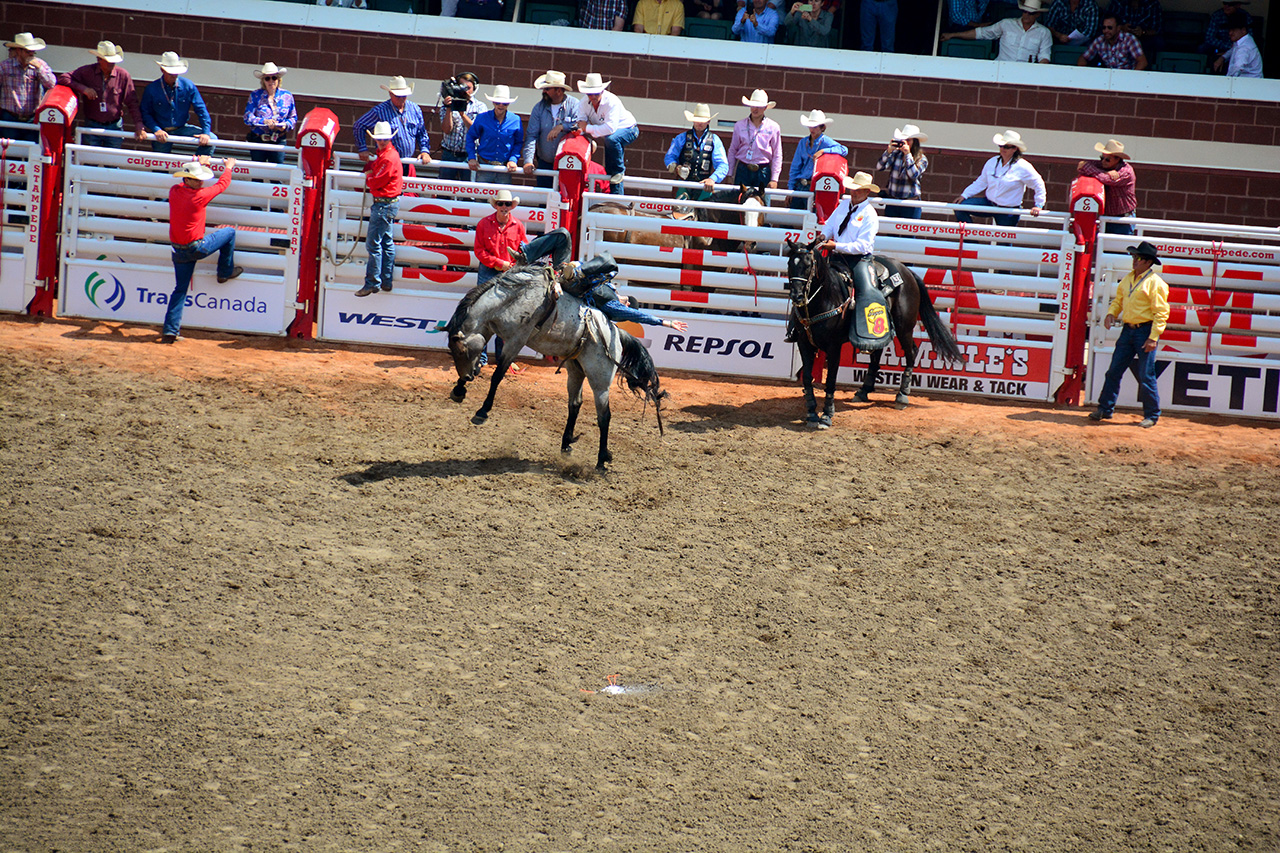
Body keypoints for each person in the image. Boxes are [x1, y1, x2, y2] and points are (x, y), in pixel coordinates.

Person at [1088, 240, 1169, 428]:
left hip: (1144, 331)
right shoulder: (1129, 279)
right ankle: (1105, 408)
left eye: (1138, 258)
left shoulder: (1156, 284)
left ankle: (1152, 415)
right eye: (1134, 257)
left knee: (1145, 375)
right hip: (1129, 330)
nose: (1134, 260)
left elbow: (1161, 313)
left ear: (1148, 262)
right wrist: (1111, 313)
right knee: (1114, 371)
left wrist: (1153, 337)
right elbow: (1119, 300)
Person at [163, 159, 243, 344]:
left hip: (178, 250)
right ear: (188, 180)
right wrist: (228, 168)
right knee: (229, 232)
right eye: (197, 179)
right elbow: (222, 184)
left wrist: (198, 163)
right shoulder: (201, 195)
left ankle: (170, 331)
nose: (201, 182)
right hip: (196, 247)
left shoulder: (174, 192)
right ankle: (224, 271)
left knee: (180, 290)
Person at [560, 253, 690, 332]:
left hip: (578, 289)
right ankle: (570, 269)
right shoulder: (610, 287)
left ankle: (574, 272)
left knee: (611, 266)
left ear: (626, 305)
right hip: (579, 279)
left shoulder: (613, 305)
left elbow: (640, 316)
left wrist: (665, 323)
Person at [474, 189, 573, 287]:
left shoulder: (518, 226)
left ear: (511, 207)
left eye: (507, 204)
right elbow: (479, 251)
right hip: (489, 269)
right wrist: (499, 263)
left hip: (510, 269)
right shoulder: (483, 224)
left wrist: (510, 265)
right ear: (496, 205)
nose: (504, 207)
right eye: (500, 203)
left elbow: (524, 252)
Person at [58, 40, 145, 148]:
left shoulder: (123, 75)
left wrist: (138, 124)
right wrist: (83, 89)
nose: (111, 64)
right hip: (92, 124)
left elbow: (132, 102)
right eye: (108, 61)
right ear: (99, 59)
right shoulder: (87, 72)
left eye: (113, 61)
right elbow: (63, 78)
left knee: (112, 161)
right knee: (90, 160)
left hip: (114, 125)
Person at [954, 130, 1046, 227]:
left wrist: (1038, 205)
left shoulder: (1023, 166)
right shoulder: (992, 162)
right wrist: (965, 195)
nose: (1002, 149)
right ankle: (971, 240)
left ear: (1014, 148)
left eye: (1006, 146)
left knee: (1004, 241)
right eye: (1000, 146)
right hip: (989, 203)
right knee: (960, 208)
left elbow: (1038, 183)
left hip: (1008, 210)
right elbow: (981, 182)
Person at [354, 122, 403, 299]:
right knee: (386, 242)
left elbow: (376, 181)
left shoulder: (387, 158)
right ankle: (386, 280)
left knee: (373, 244)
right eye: (379, 139)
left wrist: (370, 178)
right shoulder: (389, 156)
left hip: (383, 203)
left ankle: (372, 282)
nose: (381, 141)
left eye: (384, 139)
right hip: (388, 203)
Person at [140, 52, 217, 158]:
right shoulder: (152, 89)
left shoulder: (188, 86)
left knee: (211, 139)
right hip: (162, 131)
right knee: (160, 163)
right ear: (162, 70)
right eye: (171, 73)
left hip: (181, 127)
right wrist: (156, 129)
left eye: (176, 73)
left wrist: (205, 132)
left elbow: (201, 110)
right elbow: (145, 113)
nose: (174, 75)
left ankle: (197, 168)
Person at [352, 76, 432, 174]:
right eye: (398, 96)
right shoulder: (380, 111)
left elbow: (421, 132)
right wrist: (362, 148)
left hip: (407, 162)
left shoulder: (415, 109)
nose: (401, 99)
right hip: (387, 162)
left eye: (404, 96)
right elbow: (359, 125)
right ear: (390, 94)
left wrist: (425, 151)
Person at [576, 73, 639, 194]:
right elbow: (580, 121)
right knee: (610, 143)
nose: (593, 96)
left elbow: (610, 128)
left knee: (612, 140)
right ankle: (614, 181)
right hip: (611, 134)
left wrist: (586, 127)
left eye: (596, 93)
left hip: (629, 128)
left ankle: (618, 171)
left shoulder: (611, 101)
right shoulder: (583, 103)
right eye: (590, 94)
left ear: (602, 91)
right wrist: (582, 127)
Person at [521, 70, 581, 189]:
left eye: (547, 89)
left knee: (565, 200)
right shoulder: (539, 108)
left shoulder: (574, 105)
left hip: (568, 166)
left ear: (559, 90)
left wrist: (562, 127)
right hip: (545, 162)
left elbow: (580, 125)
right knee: (544, 200)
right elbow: (532, 136)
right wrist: (528, 161)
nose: (544, 91)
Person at [942, 0, 1053, 62]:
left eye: (1031, 13)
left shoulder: (1044, 33)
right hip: (1001, 69)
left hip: (1026, 73)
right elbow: (981, 33)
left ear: (1038, 15)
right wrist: (952, 35)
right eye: (1024, 11)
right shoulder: (1006, 24)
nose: (1026, 15)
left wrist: (1037, 72)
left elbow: (1044, 56)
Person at [665, 104, 729, 200]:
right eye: (698, 120)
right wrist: (676, 168)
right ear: (693, 120)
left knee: (704, 213)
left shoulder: (715, 140)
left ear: (708, 121)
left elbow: (723, 165)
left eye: (703, 121)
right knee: (679, 213)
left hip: (704, 187)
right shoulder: (681, 138)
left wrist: (712, 179)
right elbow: (669, 157)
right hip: (683, 184)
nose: (700, 123)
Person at [0, 33, 57, 142]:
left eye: (32, 52)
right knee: (10, 151)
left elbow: (51, 84)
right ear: (18, 51)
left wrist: (39, 69)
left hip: (32, 118)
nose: (31, 55)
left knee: (31, 152)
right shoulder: (5, 66)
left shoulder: (40, 65)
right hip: (10, 117)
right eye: (27, 51)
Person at [787, 109, 848, 210]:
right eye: (811, 126)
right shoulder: (803, 142)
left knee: (812, 218)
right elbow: (795, 167)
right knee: (790, 220)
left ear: (822, 128)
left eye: (815, 127)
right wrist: (790, 189)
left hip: (815, 187)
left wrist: (824, 151)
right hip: (800, 185)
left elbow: (844, 150)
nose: (812, 129)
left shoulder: (826, 141)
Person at [1077, 139, 1137, 234]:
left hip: (1122, 220)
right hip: (1106, 218)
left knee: (1120, 248)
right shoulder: (1105, 166)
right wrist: (1104, 172)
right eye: (1102, 158)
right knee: (1104, 247)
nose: (1103, 161)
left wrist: (1099, 172)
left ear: (1117, 159)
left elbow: (1106, 179)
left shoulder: (1126, 171)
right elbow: (1082, 166)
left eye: (1107, 159)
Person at [466, 85, 523, 185]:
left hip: (504, 168)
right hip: (484, 166)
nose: (500, 105)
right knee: (480, 198)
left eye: (504, 103)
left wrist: (513, 159)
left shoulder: (515, 120)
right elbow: (470, 136)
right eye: (497, 102)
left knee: (503, 198)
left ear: (508, 104)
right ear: (493, 102)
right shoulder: (482, 118)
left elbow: (518, 143)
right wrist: (471, 157)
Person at [727, 89, 783, 191]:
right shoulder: (739, 125)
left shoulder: (773, 127)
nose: (755, 109)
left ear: (765, 108)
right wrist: (730, 173)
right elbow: (733, 150)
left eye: (759, 107)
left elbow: (777, 154)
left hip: (763, 170)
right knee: (739, 200)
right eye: (753, 106)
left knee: (762, 202)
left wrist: (774, 179)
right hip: (743, 168)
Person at [243, 62, 297, 164]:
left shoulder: (287, 95)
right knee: (257, 175)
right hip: (259, 140)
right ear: (263, 81)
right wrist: (264, 121)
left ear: (278, 79)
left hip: (279, 139)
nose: (271, 81)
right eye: (267, 78)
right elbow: (247, 117)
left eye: (274, 78)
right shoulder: (255, 95)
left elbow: (293, 118)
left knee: (277, 175)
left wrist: (285, 125)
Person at [874, 123, 929, 219]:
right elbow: (879, 167)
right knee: (891, 233)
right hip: (893, 202)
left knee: (908, 233)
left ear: (914, 142)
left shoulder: (921, 159)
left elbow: (913, 175)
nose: (905, 143)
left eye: (908, 140)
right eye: (903, 140)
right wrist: (888, 152)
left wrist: (908, 155)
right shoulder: (896, 154)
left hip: (910, 203)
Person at [438, 71, 482, 183]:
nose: (465, 90)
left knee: (469, 193)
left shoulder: (480, 107)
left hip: (469, 156)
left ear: (474, 88)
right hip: (449, 154)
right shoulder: (446, 105)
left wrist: (462, 114)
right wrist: (449, 108)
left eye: (468, 87)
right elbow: (447, 130)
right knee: (444, 191)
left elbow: (476, 131)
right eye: (462, 86)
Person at [1079, 13, 1148, 68]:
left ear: (1118, 28)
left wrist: (1132, 78)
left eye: (1110, 28)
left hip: (1127, 79)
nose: (1106, 31)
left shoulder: (1129, 39)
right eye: (1104, 28)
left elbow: (1142, 62)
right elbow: (1083, 58)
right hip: (1108, 79)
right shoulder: (1099, 41)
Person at [1214, 10, 1262, 76]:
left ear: (1243, 30)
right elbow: (1233, 49)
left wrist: (1226, 81)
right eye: (1229, 30)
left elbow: (1238, 67)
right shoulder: (1245, 40)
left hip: (1248, 83)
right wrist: (1223, 57)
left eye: (1233, 30)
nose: (1230, 33)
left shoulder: (1245, 47)